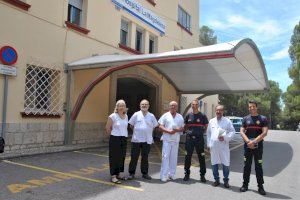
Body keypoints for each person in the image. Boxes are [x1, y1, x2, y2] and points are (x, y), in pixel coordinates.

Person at [240, 100, 268, 195]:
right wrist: (248, 141)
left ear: (256, 107)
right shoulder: (245, 119)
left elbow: (265, 133)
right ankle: (245, 185)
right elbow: (241, 131)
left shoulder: (263, 119)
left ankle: (260, 187)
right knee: (246, 166)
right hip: (247, 147)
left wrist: (254, 141)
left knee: (258, 167)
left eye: (253, 106)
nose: (251, 108)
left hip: (258, 147)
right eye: (250, 107)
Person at [127, 99, 158, 180]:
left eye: (146, 104)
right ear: (140, 106)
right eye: (142, 104)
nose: (144, 106)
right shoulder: (136, 114)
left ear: (148, 106)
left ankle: (145, 173)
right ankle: (131, 173)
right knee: (134, 157)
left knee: (145, 157)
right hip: (136, 140)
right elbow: (131, 125)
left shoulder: (151, 116)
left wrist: (147, 132)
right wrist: (138, 132)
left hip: (147, 140)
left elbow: (154, 126)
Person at [206, 105, 235, 188]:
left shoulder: (227, 121)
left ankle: (226, 181)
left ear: (223, 111)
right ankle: (216, 180)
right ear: (215, 111)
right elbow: (208, 133)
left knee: (226, 163)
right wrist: (208, 144)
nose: (218, 112)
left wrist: (225, 138)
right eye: (217, 110)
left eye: (220, 110)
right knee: (214, 163)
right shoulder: (211, 121)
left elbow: (232, 132)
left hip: (223, 146)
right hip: (214, 146)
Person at [158, 101, 184, 182]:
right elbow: (160, 126)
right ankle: (163, 175)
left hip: (175, 140)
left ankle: (171, 174)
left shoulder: (180, 117)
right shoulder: (165, 115)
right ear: (169, 107)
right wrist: (168, 131)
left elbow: (182, 128)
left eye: (175, 106)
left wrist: (178, 130)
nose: (173, 107)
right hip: (167, 140)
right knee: (165, 157)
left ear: (177, 107)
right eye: (172, 106)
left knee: (174, 158)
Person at [183, 99, 209, 182]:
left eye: (196, 104)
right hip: (189, 139)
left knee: (201, 157)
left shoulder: (203, 116)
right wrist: (188, 132)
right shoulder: (188, 115)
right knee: (187, 157)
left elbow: (206, 126)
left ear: (198, 105)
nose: (194, 106)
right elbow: (185, 126)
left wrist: (200, 132)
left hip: (199, 139)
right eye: (193, 104)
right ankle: (187, 174)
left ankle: (202, 175)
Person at [105, 99, 128, 184]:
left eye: (123, 105)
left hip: (124, 138)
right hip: (115, 138)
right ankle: (113, 176)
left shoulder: (126, 116)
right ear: (117, 107)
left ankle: (119, 174)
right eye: (120, 105)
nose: (121, 107)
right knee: (114, 157)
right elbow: (107, 128)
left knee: (122, 157)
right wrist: (112, 136)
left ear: (125, 107)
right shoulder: (113, 116)